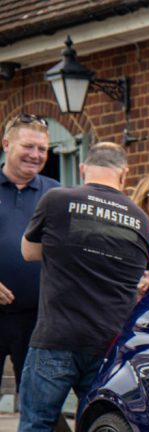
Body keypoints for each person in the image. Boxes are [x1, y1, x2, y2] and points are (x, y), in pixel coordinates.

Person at [0, 142, 149, 432]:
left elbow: (29, 252)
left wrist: (68, 253)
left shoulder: (58, 199)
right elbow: (136, 274)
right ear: (124, 173)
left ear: (83, 167)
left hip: (56, 337)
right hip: (106, 345)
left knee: (35, 428)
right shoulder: (139, 219)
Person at [0, 114, 60, 392]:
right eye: (28, 146)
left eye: (42, 149)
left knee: (36, 404)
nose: (35, 155)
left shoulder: (57, 194)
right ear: (6, 144)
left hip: (38, 320)